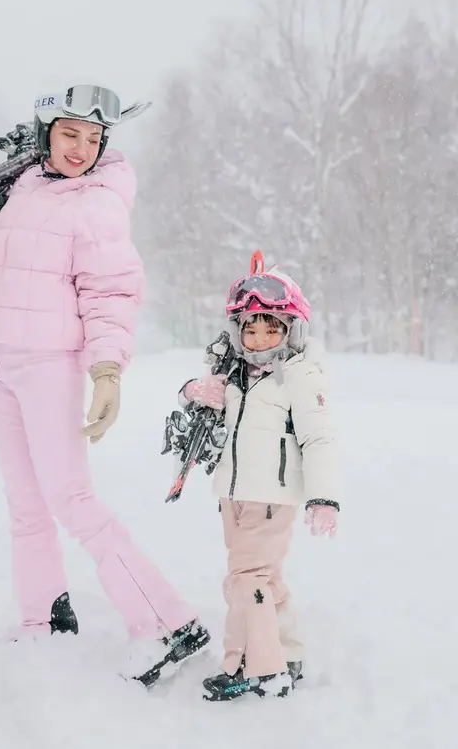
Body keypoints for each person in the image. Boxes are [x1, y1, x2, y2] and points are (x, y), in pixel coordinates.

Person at [0, 85, 209, 686]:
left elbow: (110, 293)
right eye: (71, 134)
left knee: (71, 500)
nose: (82, 149)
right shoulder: (14, 189)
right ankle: (42, 622)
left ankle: (166, 624)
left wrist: (107, 371)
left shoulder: (96, 203)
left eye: (95, 139)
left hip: (49, 362)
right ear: (45, 132)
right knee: (25, 505)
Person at [176, 260, 339, 701]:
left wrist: (324, 497)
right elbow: (205, 411)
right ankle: (289, 651)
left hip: (271, 498)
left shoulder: (299, 375)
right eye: (251, 330)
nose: (260, 339)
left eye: (272, 329)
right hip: (233, 496)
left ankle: (259, 668)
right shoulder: (235, 374)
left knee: (244, 582)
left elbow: (319, 436)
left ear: (291, 330)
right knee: (265, 580)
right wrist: (193, 391)